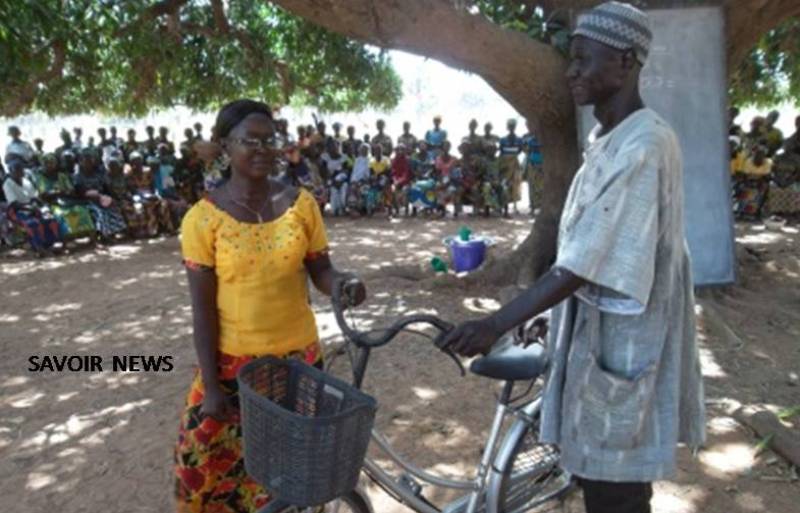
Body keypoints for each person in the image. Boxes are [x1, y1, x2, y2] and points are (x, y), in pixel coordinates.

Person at [443, 5, 704, 513]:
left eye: (584, 59)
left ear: (625, 62)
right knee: (602, 479)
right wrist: (551, 314)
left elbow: (583, 262)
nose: (571, 71)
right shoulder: (607, 138)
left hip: (627, 347)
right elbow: (588, 250)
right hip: (602, 340)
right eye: (572, 59)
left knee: (616, 491)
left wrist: (495, 323)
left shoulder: (645, 145)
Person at [175, 99, 366, 513]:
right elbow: (202, 311)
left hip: (299, 363)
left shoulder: (301, 204)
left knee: (295, 467)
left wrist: (343, 285)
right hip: (232, 368)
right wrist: (211, 387)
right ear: (226, 145)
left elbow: (322, 270)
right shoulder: (202, 219)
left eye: (270, 140)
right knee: (205, 467)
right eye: (250, 141)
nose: (262, 149)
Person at [3, 160, 62, 256]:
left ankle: (51, 244)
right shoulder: (7, 184)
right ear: (11, 172)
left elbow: (34, 197)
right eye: (16, 170)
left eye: (21, 169)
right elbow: (14, 204)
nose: (19, 172)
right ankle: (39, 248)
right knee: (32, 223)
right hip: (16, 211)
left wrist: (44, 207)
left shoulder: (26, 181)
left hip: (31, 207)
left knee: (49, 218)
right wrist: (31, 209)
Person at [73, 148, 128, 241]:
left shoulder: (98, 173)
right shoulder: (78, 176)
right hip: (87, 200)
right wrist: (93, 195)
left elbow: (106, 187)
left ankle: (114, 232)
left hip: (101, 198)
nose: (89, 164)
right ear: (81, 163)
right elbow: (79, 191)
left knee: (113, 208)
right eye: (86, 162)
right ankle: (104, 236)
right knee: (100, 212)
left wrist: (111, 198)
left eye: (90, 161)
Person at [124, 152, 177, 236]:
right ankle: (153, 231)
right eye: (135, 161)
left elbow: (153, 186)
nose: (137, 163)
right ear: (131, 163)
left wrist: (156, 194)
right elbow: (132, 190)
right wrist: (142, 196)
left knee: (164, 204)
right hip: (139, 196)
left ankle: (168, 228)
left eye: (139, 160)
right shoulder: (130, 174)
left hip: (150, 194)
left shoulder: (148, 171)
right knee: (148, 206)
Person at [733, 145, 772, 219]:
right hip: (749, 182)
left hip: (760, 182)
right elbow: (745, 175)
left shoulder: (768, 162)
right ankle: (741, 212)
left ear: (764, 156)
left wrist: (755, 178)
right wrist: (754, 179)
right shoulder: (748, 161)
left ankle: (753, 213)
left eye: (762, 155)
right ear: (754, 154)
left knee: (761, 190)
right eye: (758, 154)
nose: (759, 156)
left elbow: (766, 176)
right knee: (744, 189)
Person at [498, 119, 524, 214]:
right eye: (510, 126)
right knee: (505, 184)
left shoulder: (519, 140)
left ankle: (515, 206)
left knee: (516, 183)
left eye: (513, 126)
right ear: (508, 127)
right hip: (505, 163)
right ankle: (503, 205)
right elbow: (501, 151)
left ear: (515, 127)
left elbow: (520, 150)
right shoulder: (503, 140)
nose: (511, 128)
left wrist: (513, 157)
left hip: (515, 163)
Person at [522, 120, 544, 215]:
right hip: (532, 164)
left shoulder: (543, 137)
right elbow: (524, 149)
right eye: (528, 125)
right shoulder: (526, 138)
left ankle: (540, 206)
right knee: (532, 186)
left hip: (542, 164)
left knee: (541, 185)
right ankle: (533, 207)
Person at [322, 140, 349, 216]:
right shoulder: (325, 158)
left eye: (334, 146)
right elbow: (324, 172)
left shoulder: (344, 157)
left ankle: (343, 208)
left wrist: (340, 181)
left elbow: (345, 172)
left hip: (341, 181)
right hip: (330, 181)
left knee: (343, 190)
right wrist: (332, 181)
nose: (332, 148)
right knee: (333, 211)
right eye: (330, 147)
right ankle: (334, 208)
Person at [391, 143, 413, 216]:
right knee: (392, 190)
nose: (400, 151)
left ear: (405, 151)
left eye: (402, 150)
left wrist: (399, 182)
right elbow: (393, 173)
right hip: (396, 181)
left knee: (405, 190)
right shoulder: (393, 160)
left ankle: (406, 210)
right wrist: (395, 181)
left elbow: (406, 173)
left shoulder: (408, 160)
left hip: (406, 182)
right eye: (398, 150)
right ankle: (396, 210)